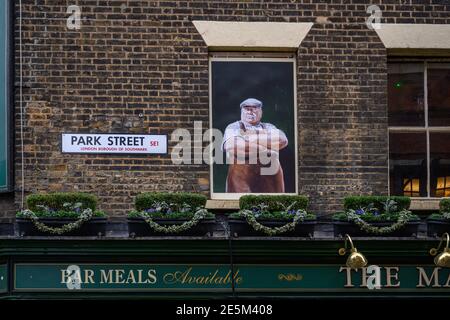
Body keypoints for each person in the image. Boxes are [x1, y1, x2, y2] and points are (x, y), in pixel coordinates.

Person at [221, 98, 288, 193]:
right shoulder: (233, 127)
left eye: (254, 108)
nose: (250, 111)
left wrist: (249, 139)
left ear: (260, 111)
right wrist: (266, 150)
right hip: (240, 182)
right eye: (247, 109)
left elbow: (282, 141)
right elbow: (233, 147)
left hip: (270, 181)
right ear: (241, 112)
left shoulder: (269, 127)